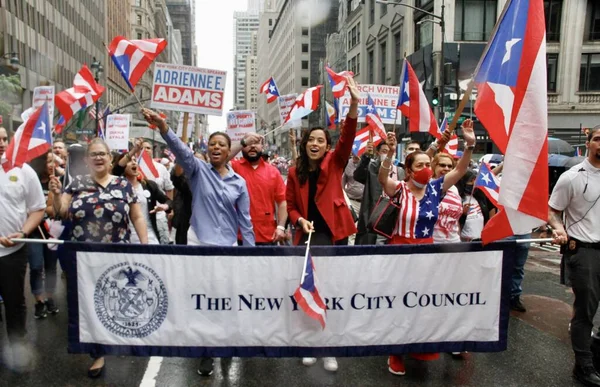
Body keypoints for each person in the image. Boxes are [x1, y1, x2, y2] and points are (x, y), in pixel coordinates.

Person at [141, 107, 255, 377]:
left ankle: (225, 344)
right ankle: (205, 351)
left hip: (228, 250)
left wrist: (252, 257)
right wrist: (163, 127)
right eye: (212, 144)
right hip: (198, 246)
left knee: (226, 300)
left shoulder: (239, 183)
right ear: (208, 148)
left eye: (222, 145)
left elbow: (246, 222)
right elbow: (181, 151)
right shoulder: (197, 170)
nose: (216, 148)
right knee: (204, 300)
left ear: (229, 152)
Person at [378, 122, 475, 376]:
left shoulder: (435, 189)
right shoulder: (398, 189)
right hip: (400, 251)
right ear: (408, 171)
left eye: (427, 165)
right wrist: (388, 153)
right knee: (399, 305)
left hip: (426, 252)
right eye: (418, 165)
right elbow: (382, 177)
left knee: (422, 305)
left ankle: (420, 348)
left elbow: (461, 170)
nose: (425, 169)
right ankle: (395, 353)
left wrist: (470, 145)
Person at [49, 138, 149, 378]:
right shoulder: (75, 184)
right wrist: (54, 195)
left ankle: (119, 339)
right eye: (93, 154)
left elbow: (137, 217)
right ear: (86, 159)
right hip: (83, 258)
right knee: (89, 304)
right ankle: (98, 352)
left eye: (102, 154)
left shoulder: (124, 185)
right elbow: (59, 212)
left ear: (110, 158)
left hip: (117, 256)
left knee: (115, 300)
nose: (98, 158)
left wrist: (146, 247)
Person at [286, 76, 360, 371]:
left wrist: (354, 104)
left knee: (330, 290)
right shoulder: (294, 172)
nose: (315, 144)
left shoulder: (336, 161)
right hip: (307, 238)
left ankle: (328, 347)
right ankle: (309, 343)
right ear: (304, 145)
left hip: (334, 236)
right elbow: (291, 206)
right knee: (307, 289)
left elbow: (348, 136)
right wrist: (299, 220)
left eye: (320, 140)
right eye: (311, 140)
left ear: (327, 146)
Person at [548, 126, 600, 386]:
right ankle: (583, 366)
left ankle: (594, 357)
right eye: (599, 139)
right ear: (588, 142)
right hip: (584, 251)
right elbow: (552, 211)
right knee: (585, 312)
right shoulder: (572, 177)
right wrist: (558, 229)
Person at [0, 126, 46, 371]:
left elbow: (38, 208)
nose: (1, 143)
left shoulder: (24, 171)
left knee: (15, 302)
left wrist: (23, 232)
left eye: (5, 139)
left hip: (13, 253)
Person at [229, 136, 288, 245]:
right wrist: (242, 142)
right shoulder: (233, 168)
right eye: (249, 143)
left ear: (262, 146)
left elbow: (282, 202)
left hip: (268, 237)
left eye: (256, 143)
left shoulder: (273, 172)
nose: (252, 146)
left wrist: (281, 227)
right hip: (239, 237)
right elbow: (221, 159)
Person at [112, 143, 173, 244]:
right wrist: (133, 151)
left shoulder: (149, 185)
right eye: (129, 161)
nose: (133, 163)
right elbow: (117, 168)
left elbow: (169, 201)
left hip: (149, 236)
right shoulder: (116, 185)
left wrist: (165, 207)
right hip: (125, 236)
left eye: (135, 160)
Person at [27, 152, 60, 319]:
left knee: (51, 267)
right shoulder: (30, 181)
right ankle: (39, 300)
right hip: (33, 231)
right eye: (48, 161)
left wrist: (56, 194)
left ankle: (49, 296)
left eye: (53, 161)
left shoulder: (57, 181)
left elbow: (55, 210)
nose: (51, 164)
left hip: (51, 231)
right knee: (36, 266)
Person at [353, 140, 398, 245]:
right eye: (384, 151)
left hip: (394, 221)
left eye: (391, 151)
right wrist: (366, 156)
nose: (388, 154)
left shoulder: (401, 171)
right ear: (378, 153)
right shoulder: (372, 168)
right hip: (375, 219)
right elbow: (358, 176)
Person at [141, 141, 174, 244]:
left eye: (148, 148)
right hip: (138, 216)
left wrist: (169, 208)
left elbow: (169, 189)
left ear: (152, 150)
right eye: (142, 148)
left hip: (159, 215)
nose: (145, 150)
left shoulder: (161, 168)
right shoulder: (133, 167)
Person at [432, 153, 462, 244]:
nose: (446, 168)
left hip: (454, 243)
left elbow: (456, 220)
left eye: (450, 166)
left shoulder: (454, 189)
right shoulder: (427, 185)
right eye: (442, 165)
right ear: (434, 166)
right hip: (432, 243)